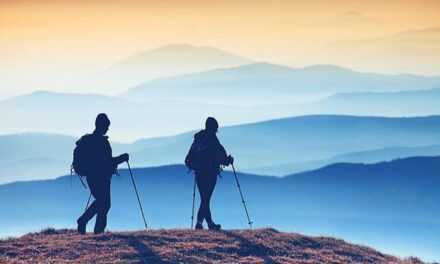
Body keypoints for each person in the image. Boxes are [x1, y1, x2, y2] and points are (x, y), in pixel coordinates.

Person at [76, 113, 129, 234]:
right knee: (103, 202)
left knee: (104, 203)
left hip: (94, 177)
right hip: (101, 177)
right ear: (102, 126)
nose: (107, 129)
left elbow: (103, 162)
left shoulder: (91, 140)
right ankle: (84, 222)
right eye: (106, 126)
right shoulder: (101, 143)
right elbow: (106, 162)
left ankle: (97, 231)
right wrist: (122, 158)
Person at [186, 117, 234, 230]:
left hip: (199, 173)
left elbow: (188, 157)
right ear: (213, 128)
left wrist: (195, 166)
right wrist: (229, 160)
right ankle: (204, 224)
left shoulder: (197, 139)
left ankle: (204, 223)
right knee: (206, 199)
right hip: (210, 173)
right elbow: (222, 157)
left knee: (204, 198)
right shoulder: (213, 140)